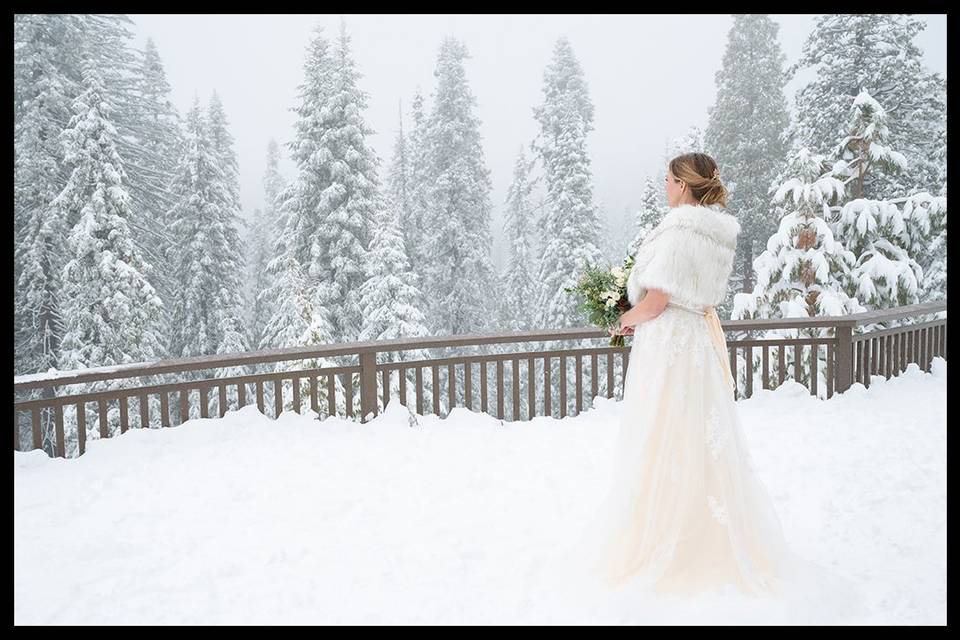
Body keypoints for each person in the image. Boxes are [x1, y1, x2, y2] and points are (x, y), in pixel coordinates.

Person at [581, 152, 796, 598]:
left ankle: (670, 540)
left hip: (670, 344)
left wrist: (623, 320)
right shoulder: (717, 234)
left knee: (664, 433)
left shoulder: (679, 231)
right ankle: (705, 530)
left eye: (667, 179)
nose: (664, 186)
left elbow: (657, 301)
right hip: (695, 338)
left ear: (683, 184)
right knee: (698, 436)